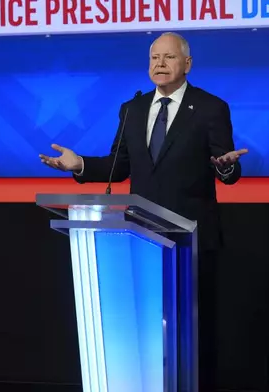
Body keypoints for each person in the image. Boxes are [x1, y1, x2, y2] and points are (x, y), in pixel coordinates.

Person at [39, 32, 247, 391]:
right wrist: (80, 165)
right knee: (146, 330)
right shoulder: (132, 109)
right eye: (154, 58)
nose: (160, 64)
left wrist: (226, 166)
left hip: (191, 241)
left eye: (168, 57)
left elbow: (225, 169)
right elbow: (120, 166)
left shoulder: (211, 107)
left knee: (193, 334)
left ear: (187, 64)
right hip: (141, 238)